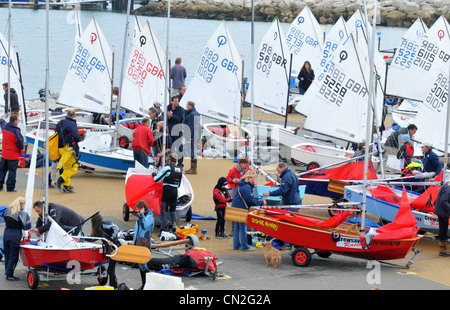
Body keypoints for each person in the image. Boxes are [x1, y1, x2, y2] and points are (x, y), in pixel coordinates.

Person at [232, 171, 264, 251]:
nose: (253, 180)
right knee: (243, 228)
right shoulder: (246, 187)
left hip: (235, 207)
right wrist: (261, 202)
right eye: (253, 178)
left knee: (237, 228)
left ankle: (236, 246)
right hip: (241, 209)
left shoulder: (241, 185)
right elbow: (250, 200)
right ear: (249, 178)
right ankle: (245, 246)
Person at [3, 197, 31, 280]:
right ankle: (9, 274)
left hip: (6, 232)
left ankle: (7, 272)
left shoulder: (7, 211)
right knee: (14, 255)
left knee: (7, 254)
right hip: (15, 235)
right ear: (23, 204)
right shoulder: (22, 213)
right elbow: (26, 226)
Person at [154, 153, 183, 234]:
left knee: (164, 210)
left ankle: (162, 230)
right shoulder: (180, 169)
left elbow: (157, 179)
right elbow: (179, 184)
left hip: (167, 191)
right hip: (175, 191)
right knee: (173, 211)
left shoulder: (168, 168)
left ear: (169, 160)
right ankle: (174, 229)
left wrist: (154, 176)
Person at [55, 109, 82, 193]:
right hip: (67, 149)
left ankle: (66, 186)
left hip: (59, 148)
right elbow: (77, 137)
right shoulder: (72, 124)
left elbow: (56, 132)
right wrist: (80, 138)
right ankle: (59, 181)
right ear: (74, 116)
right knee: (74, 167)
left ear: (67, 114)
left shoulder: (61, 122)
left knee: (67, 167)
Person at [90, 213, 120, 288]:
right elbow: (93, 239)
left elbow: (116, 228)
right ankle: (113, 287)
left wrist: (111, 239)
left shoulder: (105, 224)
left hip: (115, 248)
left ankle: (114, 287)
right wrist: (81, 238)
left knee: (110, 270)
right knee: (110, 270)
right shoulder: (98, 229)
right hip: (110, 250)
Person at [132, 200, 154, 290]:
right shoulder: (141, 217)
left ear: (143, 208)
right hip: (139, 242)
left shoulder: (149, 217)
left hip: (145, 242)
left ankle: (148, 282)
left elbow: (145, 225)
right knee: (140, 264)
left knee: (143, 263)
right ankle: (144, 284)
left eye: (139, 209)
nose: (138, 211)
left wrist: (141, 216)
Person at [0, 114, 24, 192]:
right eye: (18, 120)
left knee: (2, 170)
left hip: (4, 154)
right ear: (15, 121)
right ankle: (10, 187)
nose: (18, 121)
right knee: (12, 172)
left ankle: (0, 186)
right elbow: (20, 143)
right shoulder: (16, 130)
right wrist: (21, 149)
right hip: (12, 156)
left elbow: (1, 121)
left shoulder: (5, 126)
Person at [184, 101, 201, 174]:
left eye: (187, 106)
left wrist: (188, 137)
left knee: (192, 151)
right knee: (192, 151)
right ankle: (193, 168)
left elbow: (190, 127)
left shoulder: (191, 115)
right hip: (195, 134)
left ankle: (193, 168)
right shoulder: (196, 113)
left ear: (190, 106)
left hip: (192, 135)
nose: (186, 107)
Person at [167, 96, 185, 167]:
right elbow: (164, 118)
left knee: (179, 148)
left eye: (177, 101)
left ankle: (180, 164)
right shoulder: (167, 108)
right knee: (169, 147)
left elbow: (181, 119)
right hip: (170, 131)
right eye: (175, 101)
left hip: (178, 131)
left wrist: (172, 116)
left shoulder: (181, 110)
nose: (177, 103)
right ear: (172, 102)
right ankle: (170, 163)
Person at [434, 181, 450, 257]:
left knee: (443, 230)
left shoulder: (447, 186)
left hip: (442, 212)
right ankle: (442, 251)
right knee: (443, 231)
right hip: (443, 213)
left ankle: (443, 250)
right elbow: (444, 201)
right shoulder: (447, 188)